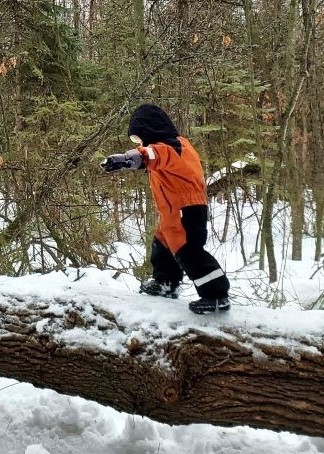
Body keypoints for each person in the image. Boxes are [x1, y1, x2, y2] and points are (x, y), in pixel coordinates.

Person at [101, 104, 230, 314]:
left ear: (150, 130)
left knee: (189, 252)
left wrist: (126, 159)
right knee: (162, 246)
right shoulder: (166, 149)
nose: (139, 143)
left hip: (186, 209)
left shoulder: (175, 147)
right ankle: (166, 283)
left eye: (138, 138)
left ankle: (216, 295)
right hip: (172, 211)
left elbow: (152, 155)